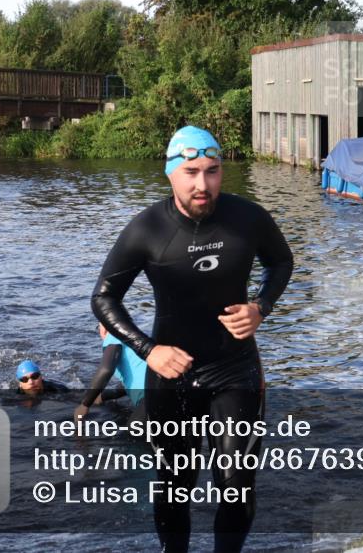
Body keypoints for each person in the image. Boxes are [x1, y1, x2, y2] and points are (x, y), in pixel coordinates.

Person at [92, 125, 293, 553]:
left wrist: (261, 306)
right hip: (171, 374)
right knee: (174, 484)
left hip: (235, 366)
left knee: (237, 485)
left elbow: (281, 262)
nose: (203, 184)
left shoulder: (247, 217)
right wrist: (149, 350)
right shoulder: (146, 229)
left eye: (212, 171)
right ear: (171, 173)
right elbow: (104, 297)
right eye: (191, 172)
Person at [75, 323, 147, 422]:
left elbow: (106, 369)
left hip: (149, 397)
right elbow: (129, 383)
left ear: (104, 329)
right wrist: (102, 396)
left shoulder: (113, 337)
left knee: (135, 431)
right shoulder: (133, 339)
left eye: (98, 327)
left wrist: (85, 405)